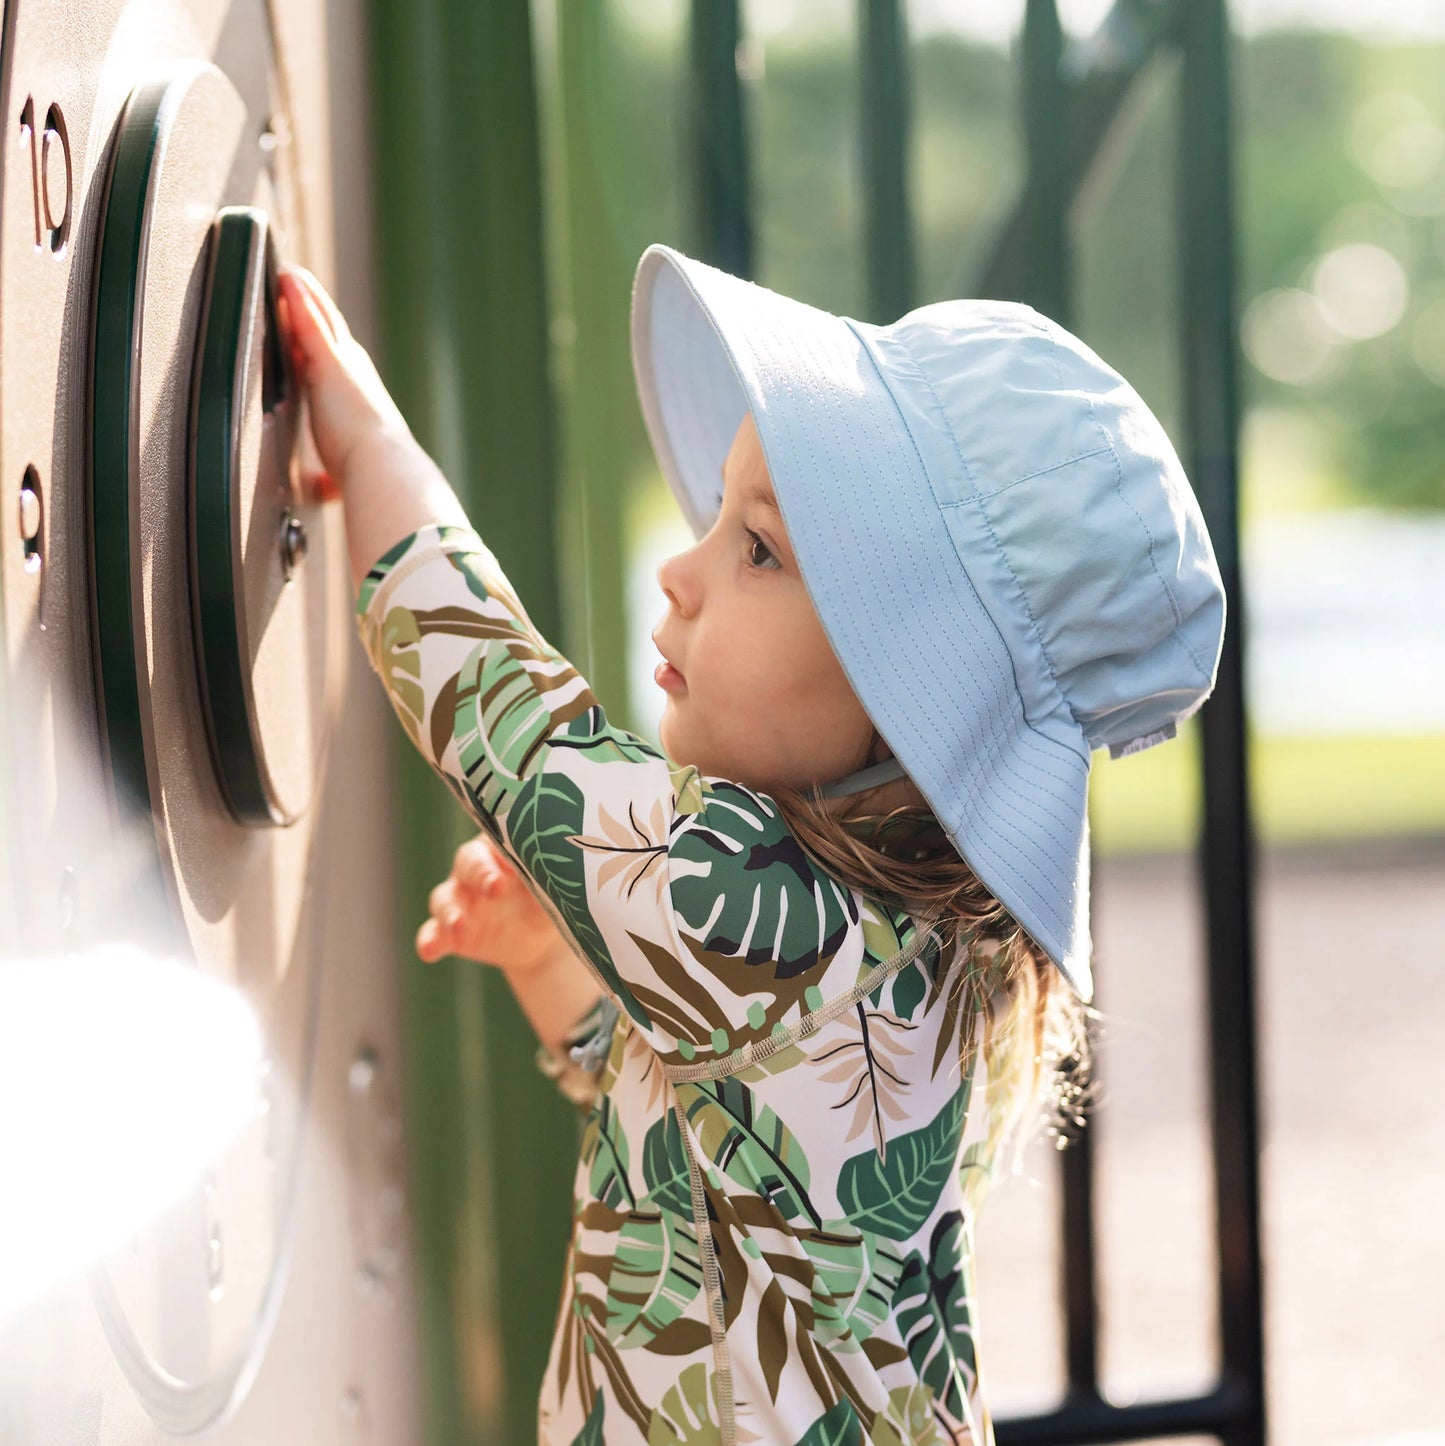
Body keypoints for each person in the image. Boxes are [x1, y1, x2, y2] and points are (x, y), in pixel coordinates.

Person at [277, 242, 1225, 1446]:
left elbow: (505, 720)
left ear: (913, 699)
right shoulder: (909, 952)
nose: (677, 572)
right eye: (720, 518)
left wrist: (368, 447)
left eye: (757, 548)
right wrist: (549, 965)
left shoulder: (766, 909)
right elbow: (704, 1144)